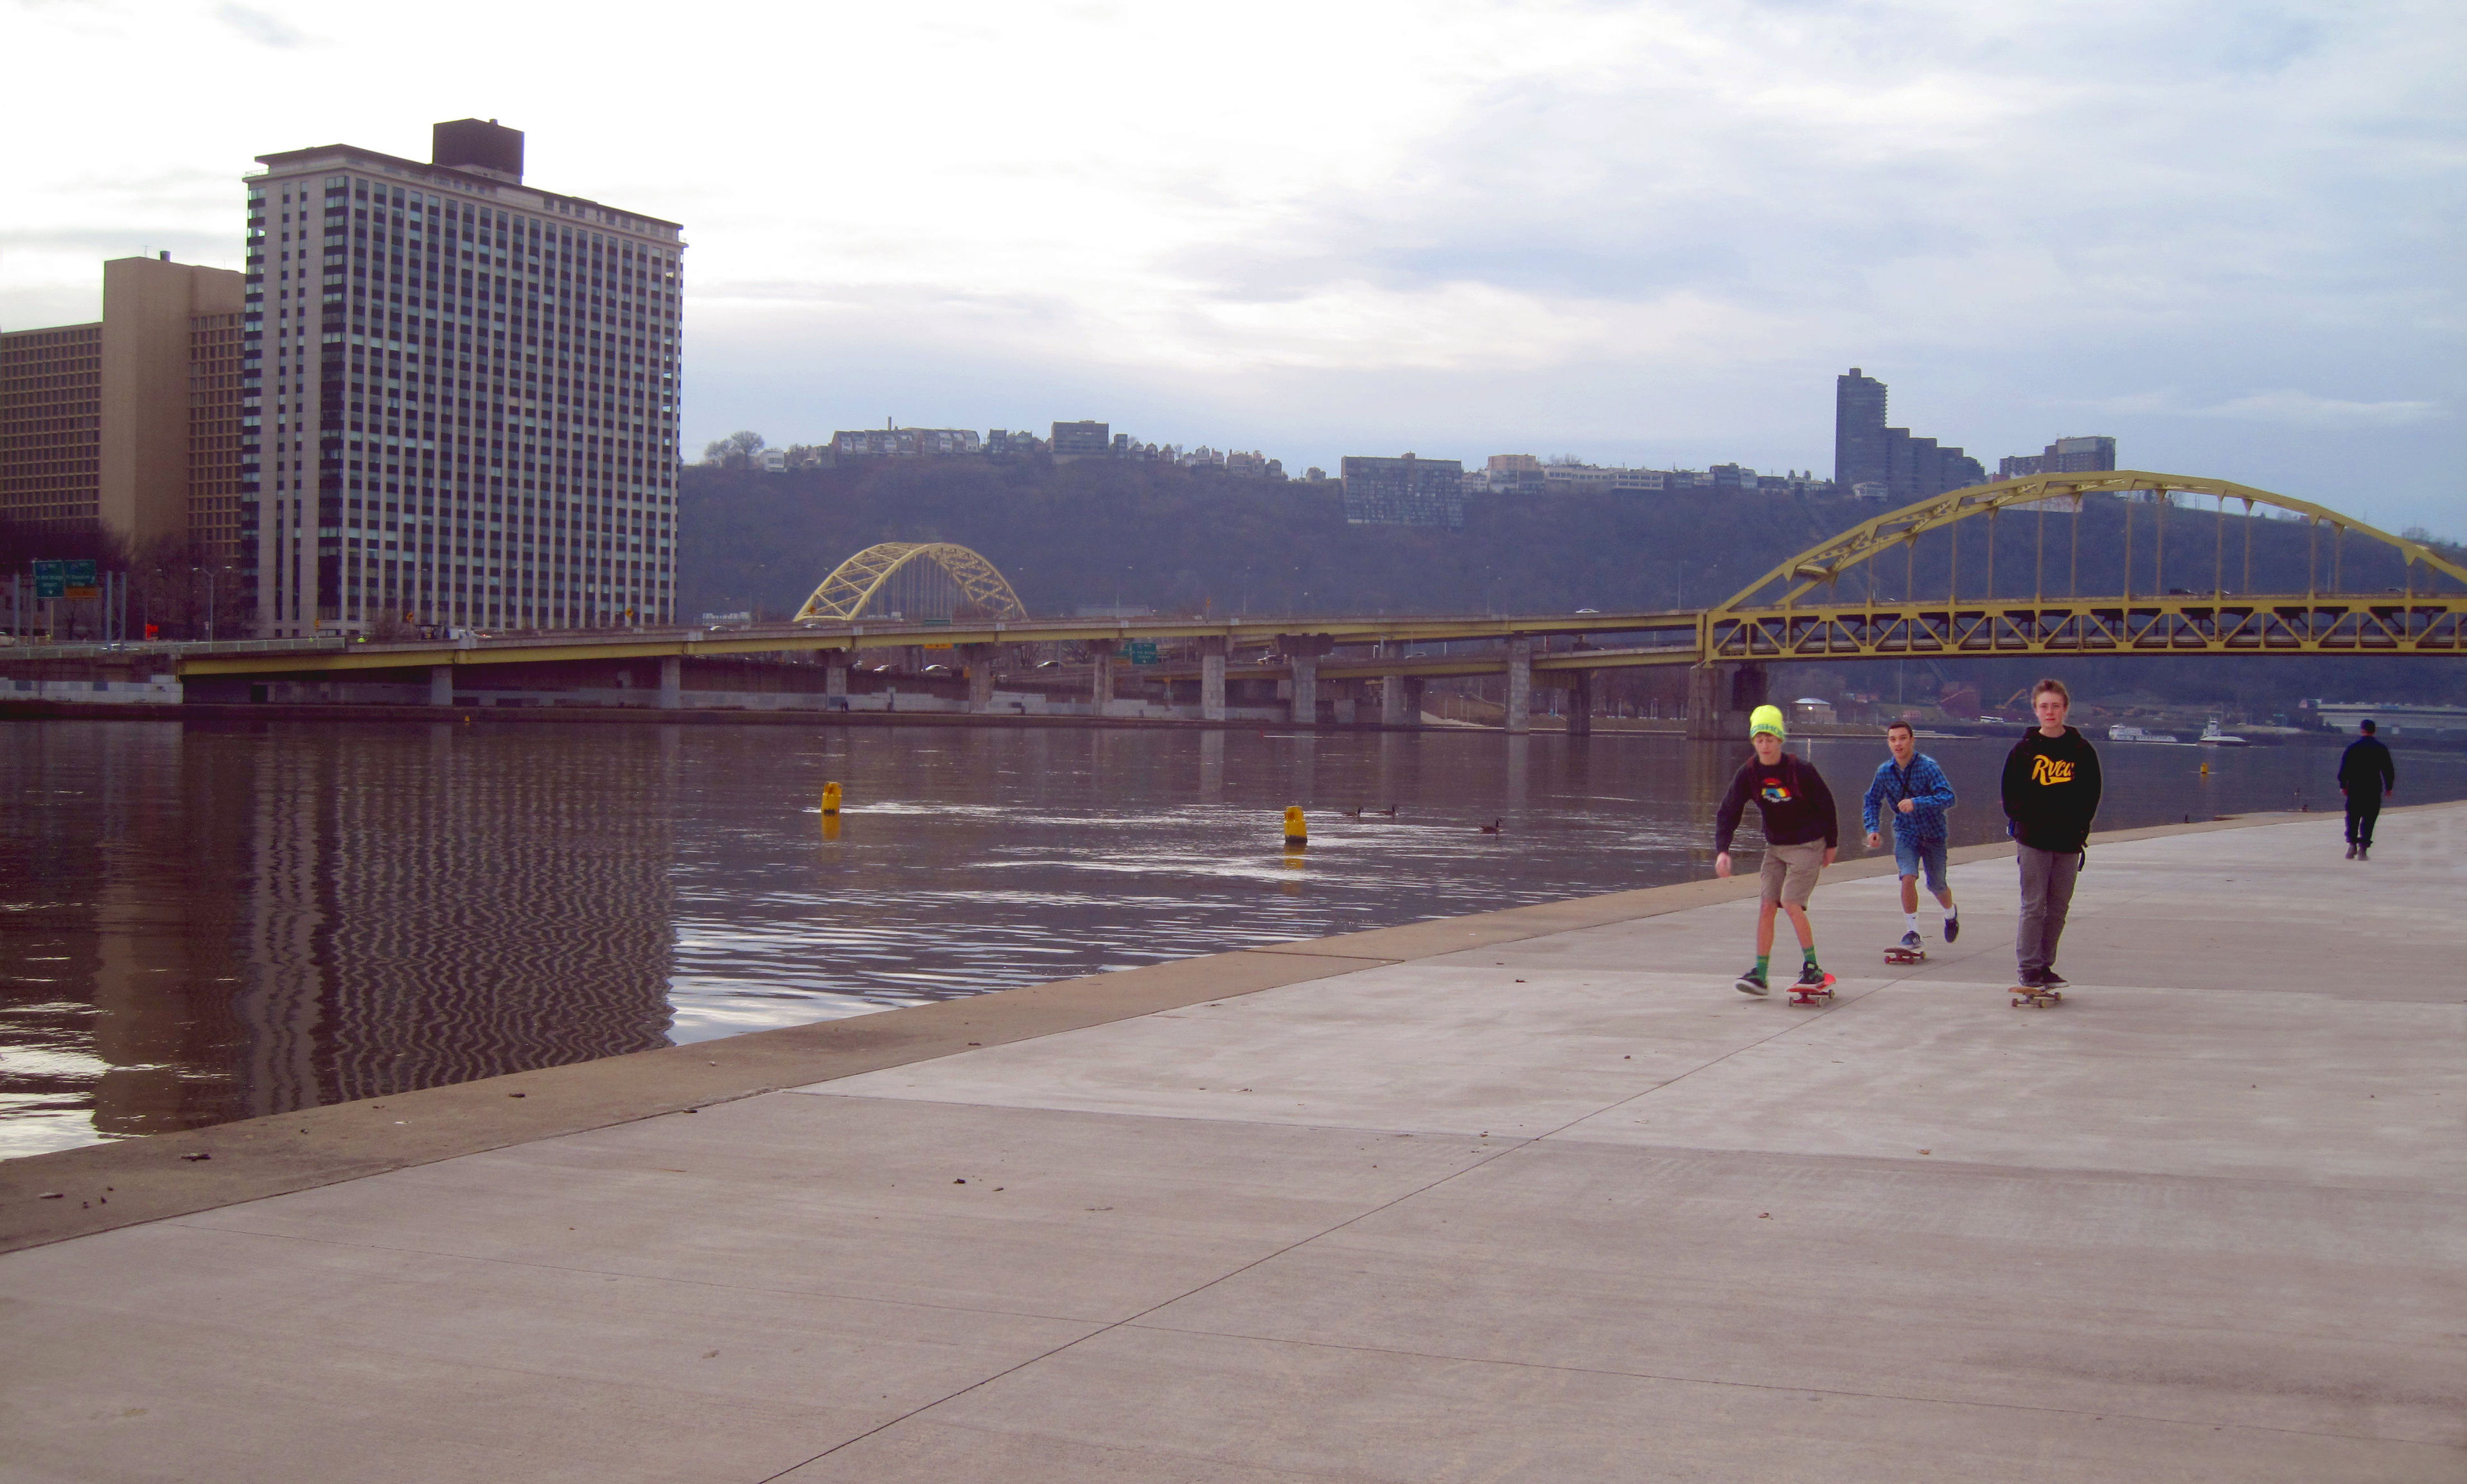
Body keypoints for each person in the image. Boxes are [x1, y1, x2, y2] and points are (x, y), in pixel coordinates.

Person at [1715, 703, 1840, 996]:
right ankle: (1760, 973)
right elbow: (1728, 811)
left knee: (1791, 903)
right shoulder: (1748, 774)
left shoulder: (1801, 770)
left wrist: (1831, 844)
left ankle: (1812, 968)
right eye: (1760, 739)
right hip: (1776, 847)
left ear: (1780, 740)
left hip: (1808, 845)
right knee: (1767, 905)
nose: (1765, 745)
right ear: (1753, 742)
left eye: (1770, 739)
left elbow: (1827, 804)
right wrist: (1723, 850)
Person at [1999, 678, 2102, 991]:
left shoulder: (2082, 751)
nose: (2050, 712)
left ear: (2065, 709)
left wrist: (2079, 827)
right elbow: (2010, 795)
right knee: (2034, 905)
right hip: (2033, 841)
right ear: (2035, 710)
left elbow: (2091, 794)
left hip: (2069, 842)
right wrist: (2025, 822)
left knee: (2059, 907)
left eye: (2055, 706)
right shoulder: (2024, 751)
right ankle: (2028, 969)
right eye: (2044, 706)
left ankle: (2046, 965)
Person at [1862, 721, 1959, 952]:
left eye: (1903, 738)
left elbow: (1948, 797)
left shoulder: (1928, 767)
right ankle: (1912, 932)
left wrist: (1917, 803)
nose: (1898, 743)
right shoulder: (1885, 772)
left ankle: (1951, 914)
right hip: (1906, 832)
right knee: (1908, 876)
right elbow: (1872, 800)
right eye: (1893, 739)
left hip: (1934, 833)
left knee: (1937, 885)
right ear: (1888, 742)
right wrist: (1873, 828)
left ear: (1912, 740)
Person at [2337, 719, 2395, 860]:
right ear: (2374, 731)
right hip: (2373, 789)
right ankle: (2363, 849)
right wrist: (2389, 787)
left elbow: (2344, 769)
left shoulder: (2352, 748)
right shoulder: (2381, 748)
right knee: (2369, 819)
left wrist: (2343, 785)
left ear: (2362, 730)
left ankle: (2352, 845)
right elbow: (2388, 770)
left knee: (2352, 817)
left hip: (2355, 788)